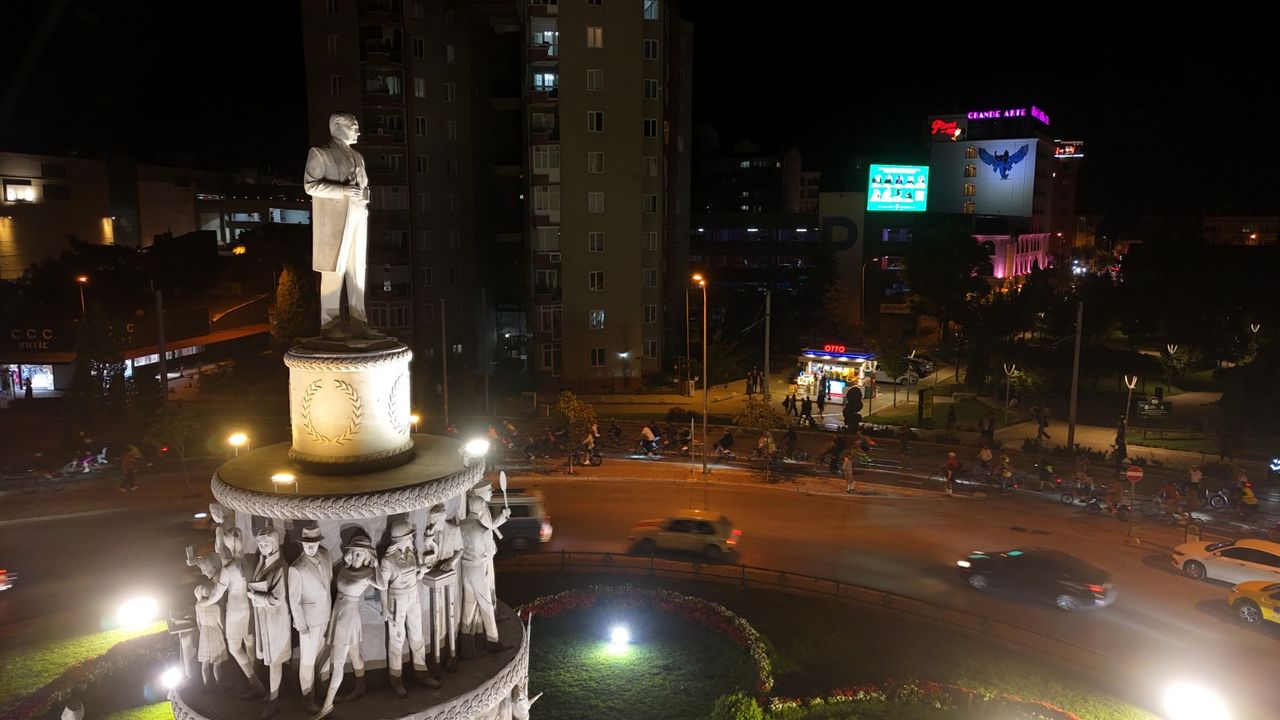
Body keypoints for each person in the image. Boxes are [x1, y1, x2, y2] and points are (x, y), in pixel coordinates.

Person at [304, 112, 382, 341]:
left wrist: (363, 196)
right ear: (338, 127)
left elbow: (362, 183)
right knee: (333, 270)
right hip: (334, 222)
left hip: (358, 215)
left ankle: (360, 322)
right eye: (353, 126)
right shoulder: (321, 153)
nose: (358, 131)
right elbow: (310, 185)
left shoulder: (359, 157)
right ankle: (329, 324)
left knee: (358, 270)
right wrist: (343, 191)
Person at [315, 535, 383, 718]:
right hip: (337, 614)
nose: (355, 558)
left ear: (368, 556)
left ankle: (327, 705)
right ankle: (361, 686)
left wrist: (376, 566)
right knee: (354, 654)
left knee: (337, 664)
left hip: (348, 619)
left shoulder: (368, 573)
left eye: (360, 555)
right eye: (353, 554)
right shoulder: (343, 570)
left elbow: (382, 586)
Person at [380, 521, 439, 697]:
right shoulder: (387, 560)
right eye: (409, 536)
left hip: (413, 597)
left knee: (417, 635)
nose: (412, 538)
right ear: (401, 539)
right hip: (397, 600)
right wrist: (384, 608)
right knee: (397, 639)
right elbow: (382, 586)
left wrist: (422, 570)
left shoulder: (411, 553)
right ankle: (396, 679)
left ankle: (422, 673)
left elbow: (416, 576)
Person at [459, 481, 512, 655]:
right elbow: (490, 549)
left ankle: (465, 645)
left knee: (468, 605)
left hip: (465, 569)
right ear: (481, 508)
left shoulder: (461, 526)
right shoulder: (481, 530)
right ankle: (492, 641)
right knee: (486, 605)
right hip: (477, 569)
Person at [289, 526, 334, 713]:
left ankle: (322, 689)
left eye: (313, 543)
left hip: (325, 616)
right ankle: (307, 698)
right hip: (308, 623)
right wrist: (301, 626)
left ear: (318, 542)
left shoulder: (326, 556)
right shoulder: (296, 568)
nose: (310, 548)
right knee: (307, 660)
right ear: (302, 544)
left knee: (323, 654)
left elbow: (329, 581)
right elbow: (294, 601)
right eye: (307, 544)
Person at [247, 527, 290, 716]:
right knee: (270, 659)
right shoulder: (261, 563)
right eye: (260, 544)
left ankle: (274, 700)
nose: (263, 547)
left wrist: (255, 597)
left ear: (274, 543)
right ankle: (274, 694)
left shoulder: (281, 567)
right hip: (264, 620)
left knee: (275, 661)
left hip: (276, 621)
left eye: (266, 543)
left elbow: (277, 598)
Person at [193, 582, 228, 688]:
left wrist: (202, 630)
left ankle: (206, 685)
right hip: (215, 633)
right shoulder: (216, 607)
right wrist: (224, 632)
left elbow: (198, 622)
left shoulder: (198, 606)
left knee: (205, 662)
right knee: (217, 662)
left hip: (204, 634)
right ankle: (218, 684)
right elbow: (221, 623)